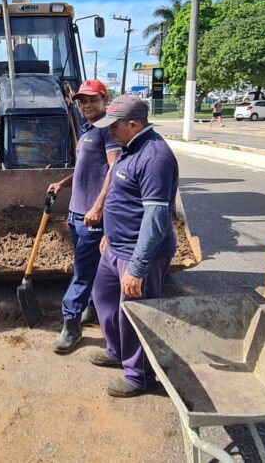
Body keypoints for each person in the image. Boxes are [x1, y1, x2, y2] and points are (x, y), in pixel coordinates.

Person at [90, 94, 179, 398]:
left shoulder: (154, 157)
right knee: (102, 299)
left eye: (114, 126)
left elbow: (156, 219)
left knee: (135, 316)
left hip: (139, 255)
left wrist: (138, 268)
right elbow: (122, 197)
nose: (109, 131)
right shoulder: (130, 148)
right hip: (115, 247)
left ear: (132, 124)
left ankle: (139, 377)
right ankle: (116, 350)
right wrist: (109, 234)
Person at [47, 80, 121, 354]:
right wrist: (63, 184)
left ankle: (71, 323)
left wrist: (98, 207)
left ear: (104, 99)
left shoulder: (107, 131)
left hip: (91, 217)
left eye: (92, 100)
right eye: (82, 101)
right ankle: (91, 306)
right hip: (76, 212)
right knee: (88, 266)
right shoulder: (88, 130)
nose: (86, 105)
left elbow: (114, 169)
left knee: (81, 271)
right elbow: (85, 168)